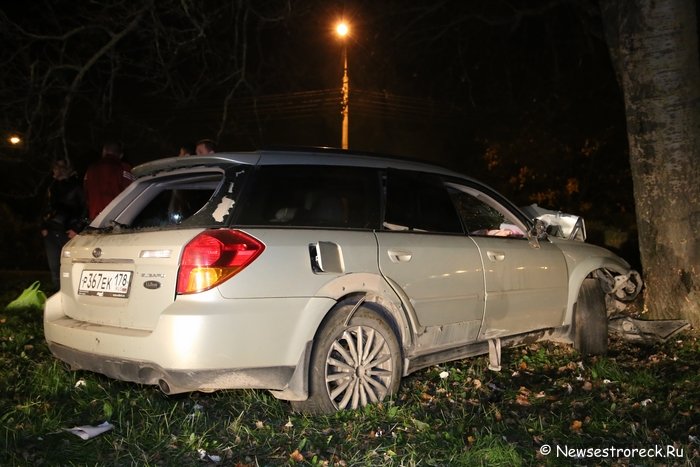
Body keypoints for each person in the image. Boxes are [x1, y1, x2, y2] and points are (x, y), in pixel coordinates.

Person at [41, 159, 86, 289]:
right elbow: (45, 207)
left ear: (62, 170)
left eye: (56, 168)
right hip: (51, 232)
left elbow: (85, 209)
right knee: (54, 267)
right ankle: (57, 295)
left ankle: (71, 294)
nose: (53, 171)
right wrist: (43, 226)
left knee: (70, 266)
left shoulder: (76, 186)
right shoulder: (52, 187)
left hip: (68, 232)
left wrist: (77, 228)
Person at [84, 141, 134, 220]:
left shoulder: (90, 169)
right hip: (117, 217)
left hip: (95, 218)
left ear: (104, 151)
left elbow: (86, 194)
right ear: (121, 155)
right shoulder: (124, 168)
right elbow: (132, 192)